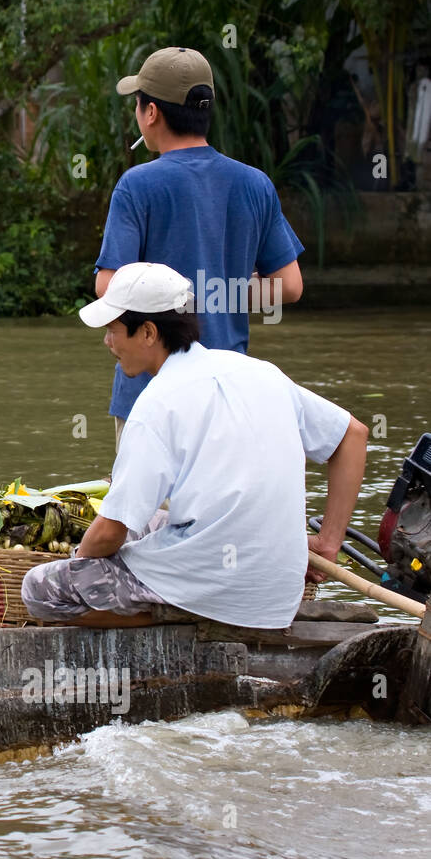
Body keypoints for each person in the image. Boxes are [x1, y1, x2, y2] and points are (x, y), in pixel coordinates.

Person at [21, 262, 367, 630]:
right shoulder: (262, 372)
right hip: (279, 594)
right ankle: (189, 600)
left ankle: (175, 614)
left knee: (39, 590)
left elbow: (111, 531)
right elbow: (353, 435)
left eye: (113, 330)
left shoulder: (155, 406)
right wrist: (328, 542)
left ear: (149, 332)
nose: (109, 343)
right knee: (153, 521)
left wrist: (80, 563)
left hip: (214, 589)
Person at [95, 46, 306, 448]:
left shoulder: (137, 186)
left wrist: (180, 295)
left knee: (147, 512)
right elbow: (289, 286)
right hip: (227, 395)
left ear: (151, 113)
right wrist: (219, 290)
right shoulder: (254, 183)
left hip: (149, 397)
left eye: (137, 104)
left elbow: (107, 287)